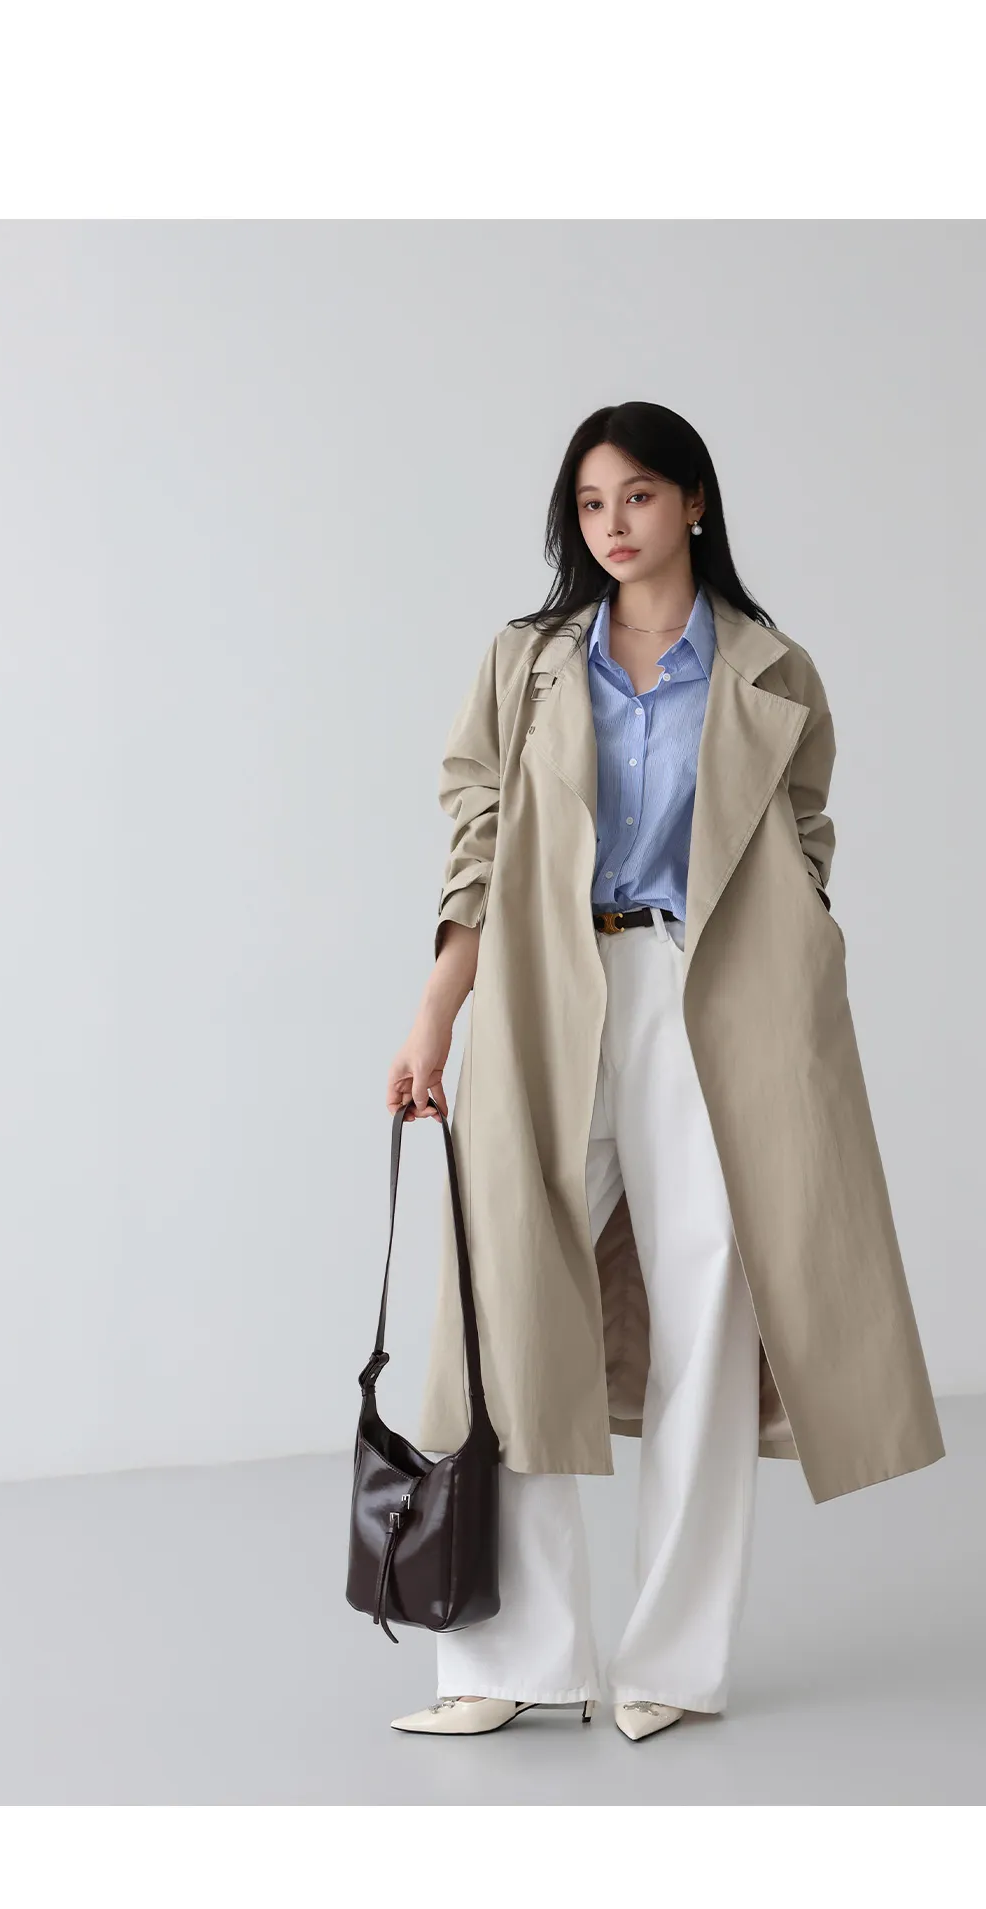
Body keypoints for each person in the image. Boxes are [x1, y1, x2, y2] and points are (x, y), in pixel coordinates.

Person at [383, 401, 945, 1743]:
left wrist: (800, 945)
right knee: (509, 1307)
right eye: (589, 504)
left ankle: (674, 1661)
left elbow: (802, 830)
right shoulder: (528, 663)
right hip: (551, 989)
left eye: (637, 496)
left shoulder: (769, 669)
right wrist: (436, 1013)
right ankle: (507, 1658)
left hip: (709, 995)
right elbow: (477, 836)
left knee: (709, 1309)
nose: (612, 525)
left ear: (694, 501)